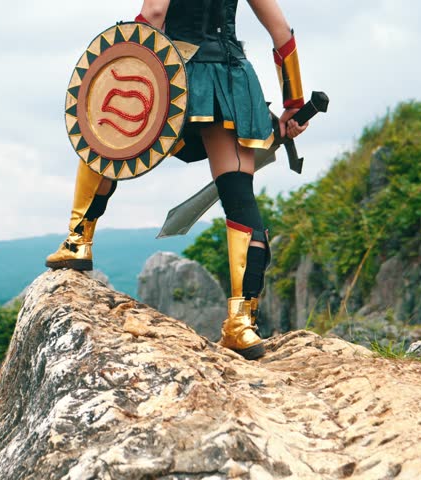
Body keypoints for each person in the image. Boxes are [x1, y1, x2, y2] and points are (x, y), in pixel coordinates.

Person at [46, 0, 308, 360]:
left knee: (104, 127)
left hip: (179, 77)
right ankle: (241, 323)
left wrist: (127, 59)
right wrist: (294, 101)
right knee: (239, 197)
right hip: (231, 79)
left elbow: (154, 13)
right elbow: (281, 31)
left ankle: (79, 240)